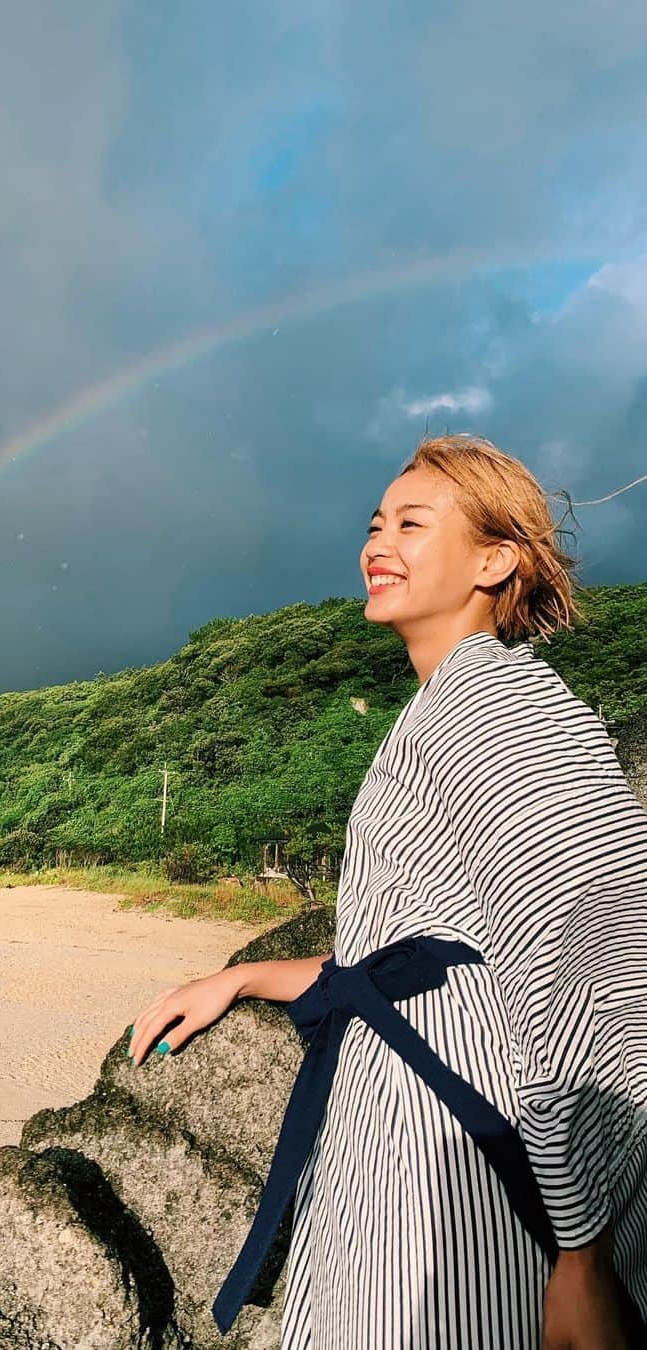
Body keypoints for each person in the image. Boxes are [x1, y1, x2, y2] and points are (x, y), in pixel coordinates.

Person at [125, 435, 647, 1348]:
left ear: (495, 559)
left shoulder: (506, 708)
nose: (378, 542)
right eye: (374, 523)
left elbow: (590, 961)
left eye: (412, 523)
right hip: (397, 1143)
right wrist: (242, 980)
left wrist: (583, 1252)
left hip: (463, 1166)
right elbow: (418, 952)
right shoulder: (446, 707)